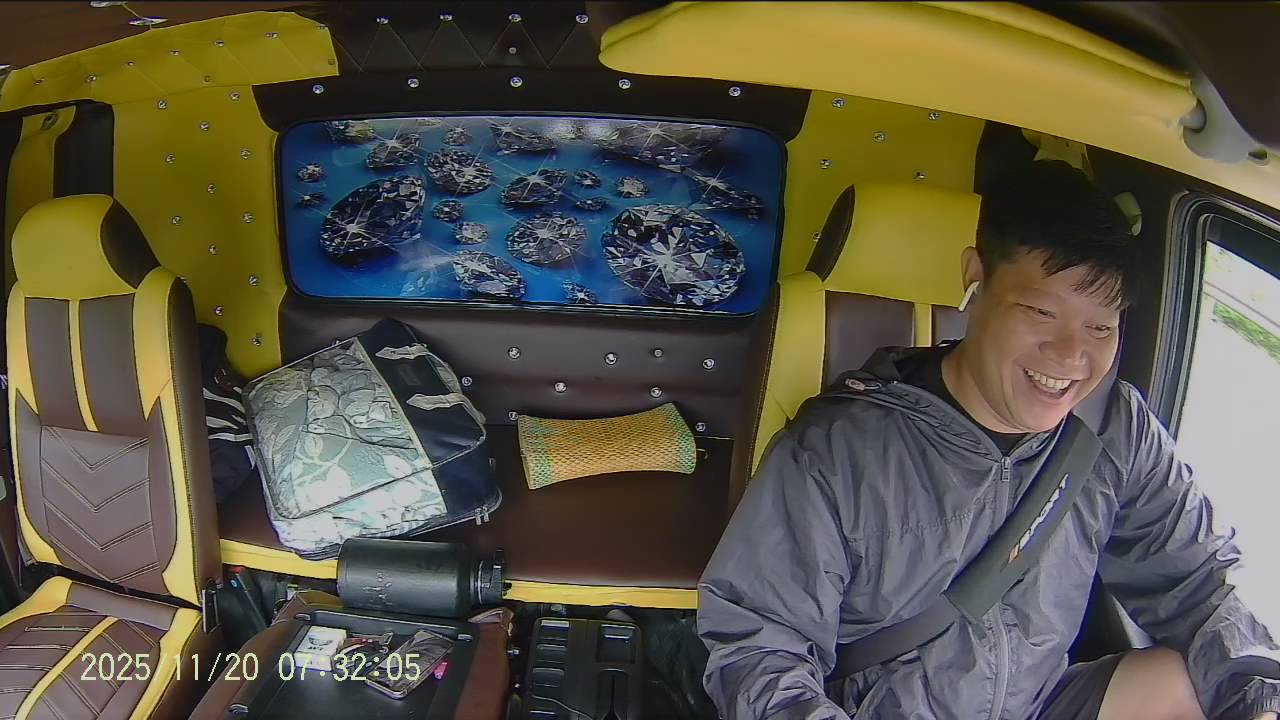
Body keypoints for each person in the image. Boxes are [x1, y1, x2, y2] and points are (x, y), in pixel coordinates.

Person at [697, 160, 1280, 720]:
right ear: (976, 278)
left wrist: (1262, 700)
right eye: (1041, 312)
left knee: (1189, 683)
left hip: (1040, 702)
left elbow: (1197, 583)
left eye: (1101, 326)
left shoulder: (1113, 426)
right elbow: (761, 649)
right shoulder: (837, 451)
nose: (1071, 356)